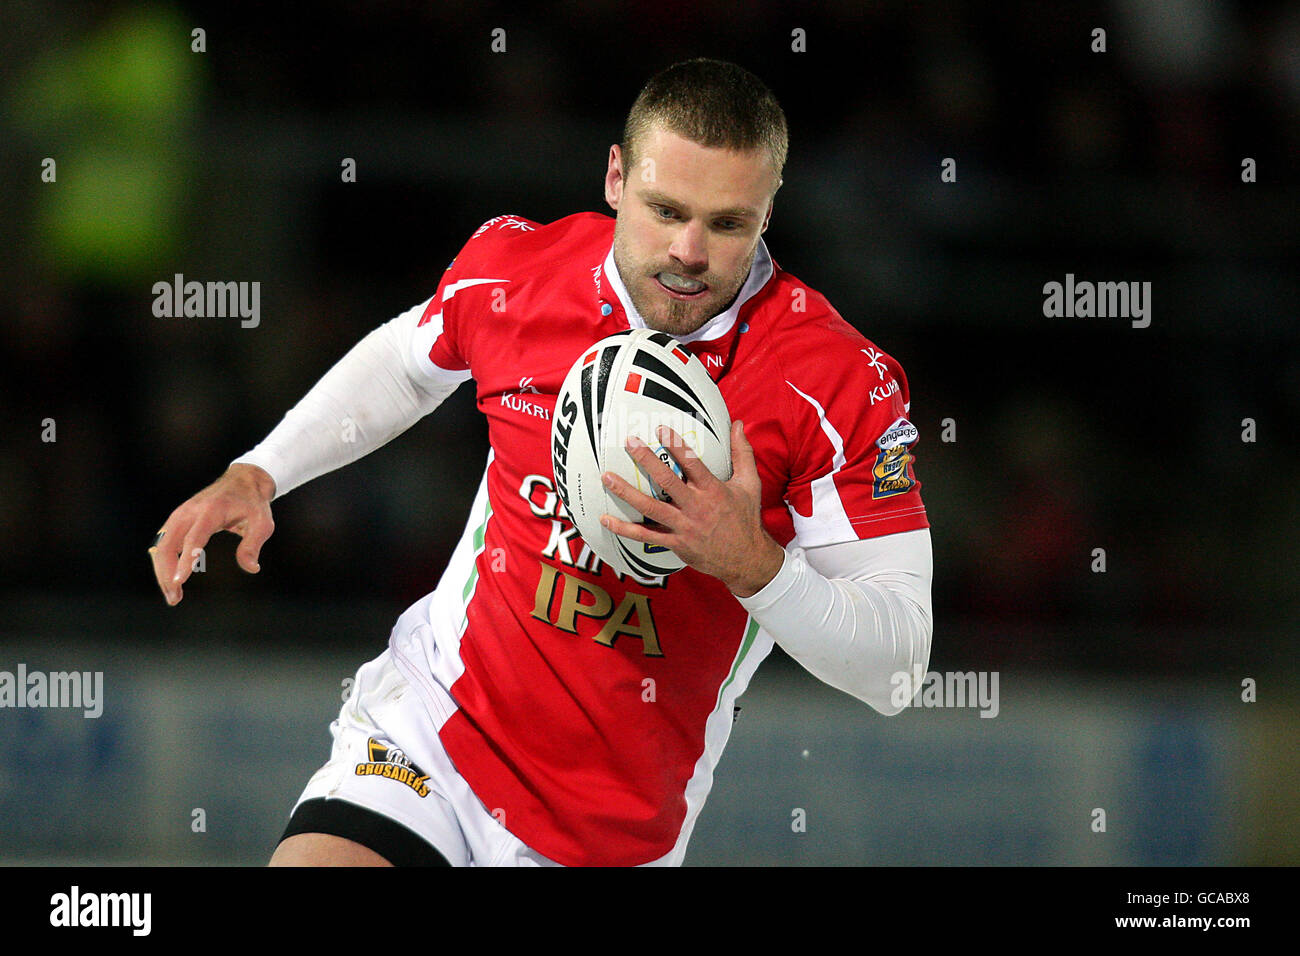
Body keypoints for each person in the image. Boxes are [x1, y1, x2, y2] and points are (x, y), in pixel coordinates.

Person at [149, 58, 933, 867]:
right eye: (665, 211)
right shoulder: (518, 268)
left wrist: (754, 565)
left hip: (609, 833)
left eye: (727, 223)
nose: (689, 251)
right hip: (432, 736)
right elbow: (408, 361)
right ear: (615, 177)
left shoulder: (836, 383)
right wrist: (261, 470)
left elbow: (899, 666)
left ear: (769, 211)